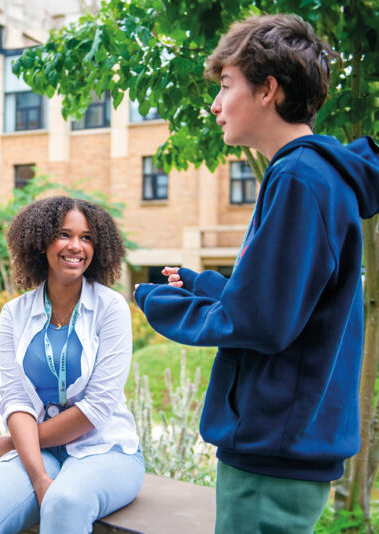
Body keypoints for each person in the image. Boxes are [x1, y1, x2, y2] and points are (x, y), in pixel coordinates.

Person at [134, 14, 379, 533]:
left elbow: (260, 323)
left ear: (268, 89)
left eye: (226, 86)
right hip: (289, 447)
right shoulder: (317, 177)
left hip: (273, 453)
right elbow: (290, 306)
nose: (216, 104)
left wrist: (157, 301)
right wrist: (209, 286)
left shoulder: (299, 177)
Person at [0, 196, 144, 533]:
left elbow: (98, 407)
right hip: (40, 455)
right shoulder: (14, 314)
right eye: (64, 234)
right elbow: (16, 399)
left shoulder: (111, 309)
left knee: (65, 503)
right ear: (40, 242)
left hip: (105, 449)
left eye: (87, 237)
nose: (76, 246)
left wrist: (11, 443)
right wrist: (38, 476)